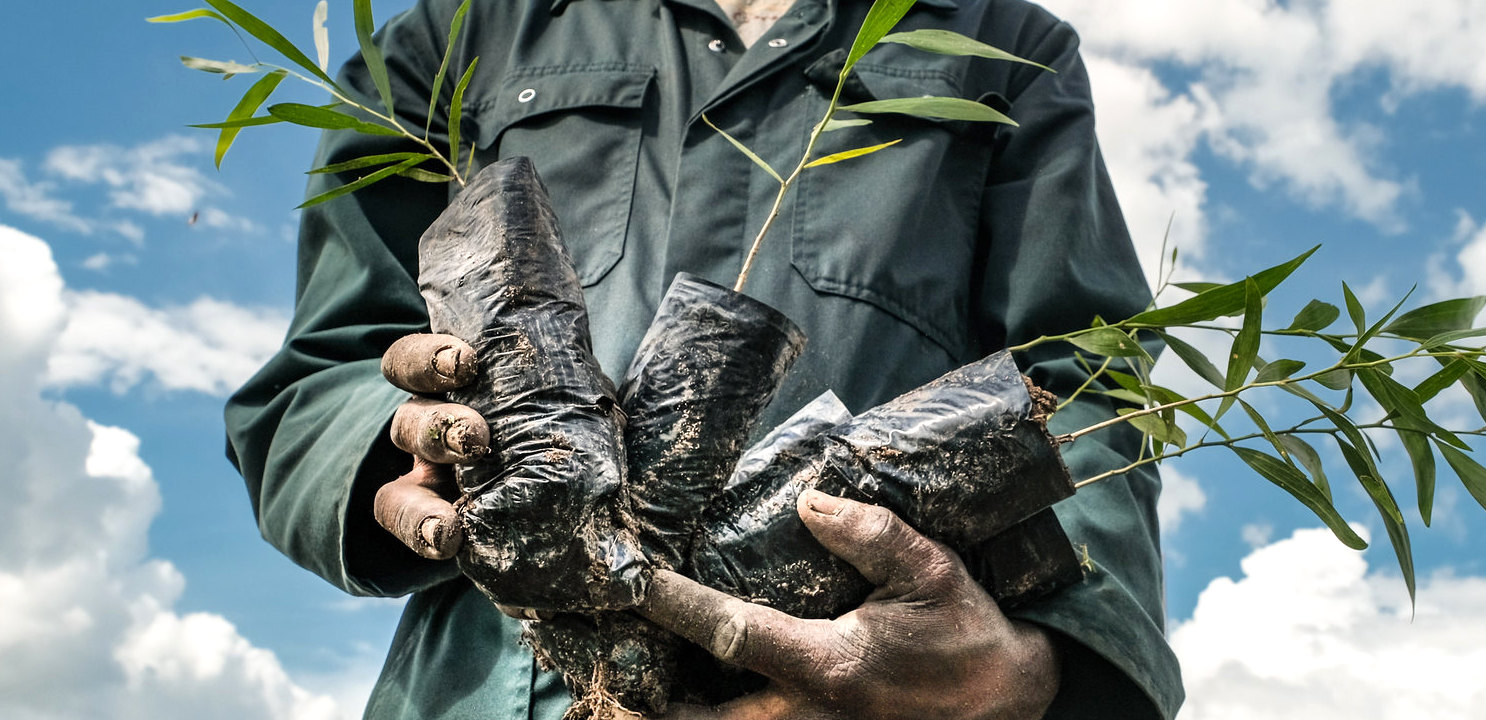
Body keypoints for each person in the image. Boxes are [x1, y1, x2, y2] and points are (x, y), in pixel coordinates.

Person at [223, 0, 1182, 718]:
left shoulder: (999, 43)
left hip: (860, 685)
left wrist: (1036, 664)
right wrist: (398, 451)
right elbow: (321, 373)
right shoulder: (467, 31)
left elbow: (1086, 380)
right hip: (500, 686)